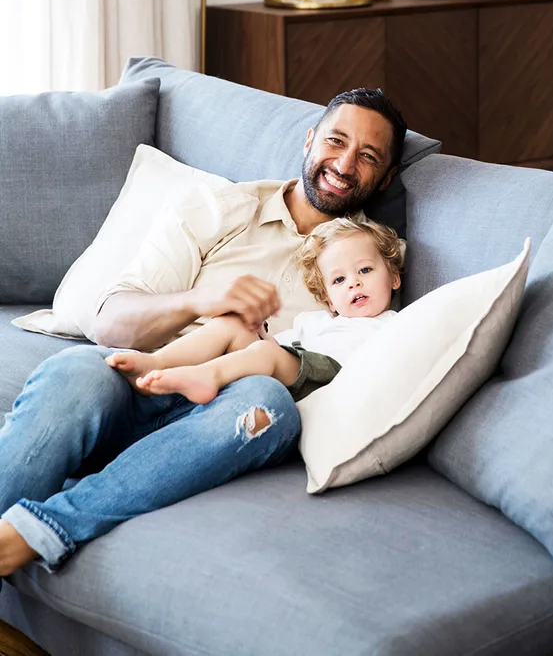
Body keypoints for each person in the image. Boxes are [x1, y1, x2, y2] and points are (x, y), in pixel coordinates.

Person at [0, 89, 406, 579]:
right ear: (309, 141)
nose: (343, 164)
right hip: (138, 386)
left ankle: (34, 533)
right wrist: (201, 301)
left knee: (265, 402)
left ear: (385, 177)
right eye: (336, 142)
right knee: (78, 373)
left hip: (222, 421)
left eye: (367, 157)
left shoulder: (369, 262)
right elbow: (110, 321)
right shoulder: (222, 209)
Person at [105, 214, 404, 406]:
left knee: (266, 354)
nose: (354, 284)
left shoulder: (396, 323)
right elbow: (280, 349)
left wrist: (268, 350)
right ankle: (156, 361)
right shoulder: (314, 321)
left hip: (328, 378)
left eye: (365, 270)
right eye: (339, 280)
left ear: (393, 277)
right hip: (290, 368)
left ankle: (207, 377)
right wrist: (260, 334)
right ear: (328, 299)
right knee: (236, 324)